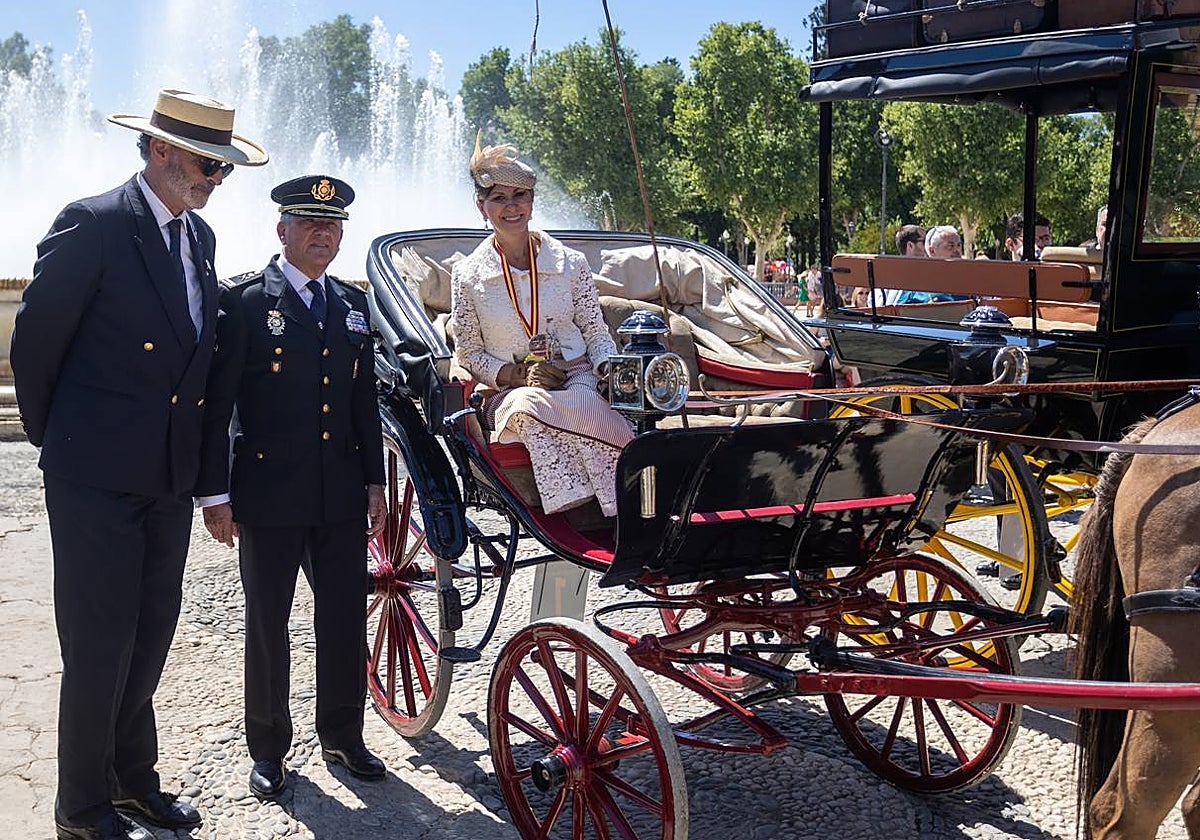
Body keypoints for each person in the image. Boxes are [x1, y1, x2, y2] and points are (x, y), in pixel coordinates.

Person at [10, 89, 267, 840]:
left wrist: (201, 475)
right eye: (207, 164)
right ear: (159, 150)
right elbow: (34, 345)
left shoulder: (200, 237)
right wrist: (62, 443)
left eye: (223, 169)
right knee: (99, 644)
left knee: (150, 635)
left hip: (166, 476)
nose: (216, 179)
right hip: (94, 473)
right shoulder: (93, 223)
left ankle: (131, 782)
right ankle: (81, 806)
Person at [195, 176, 387, 801]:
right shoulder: (247, 302)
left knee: (344, 618)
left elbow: (363, 403)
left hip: (338, 494)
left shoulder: (351, 305)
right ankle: (269, 749)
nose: (322, 235)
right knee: (267, 624)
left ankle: (343, 736)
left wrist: (375, 482)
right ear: (282, 230)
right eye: (309, 224)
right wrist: (214, 495)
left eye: (332, 226)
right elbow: (219, 404)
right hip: (269, 494)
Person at [451, 136, 633, 518]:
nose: (511, 206)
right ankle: (575, 503)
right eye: (499, 198)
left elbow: (595, 330)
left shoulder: (571, 263)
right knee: (528, 405)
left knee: (584, 400)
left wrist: (609, 368)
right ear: (481, 206)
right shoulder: (467, 275)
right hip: (507, 391)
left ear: (532, 201)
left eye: (520, 195)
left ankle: (619, 501)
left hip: (575, 376)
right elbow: (468, 353)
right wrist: (518, 375)